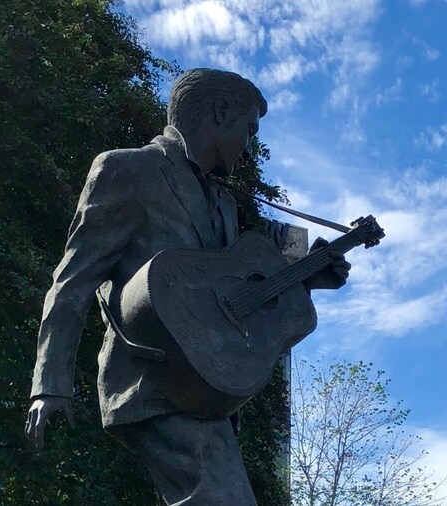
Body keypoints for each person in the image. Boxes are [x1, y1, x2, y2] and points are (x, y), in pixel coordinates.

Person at [25, 68, 350, 505]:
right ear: (220, 112)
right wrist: (50, 385)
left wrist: (305, 279)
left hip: (204, 387)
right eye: (249, 131)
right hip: (151, 375)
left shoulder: (224, 203)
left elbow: (231, 297)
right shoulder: (127, 169)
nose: (249, 148)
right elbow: (72, 280)